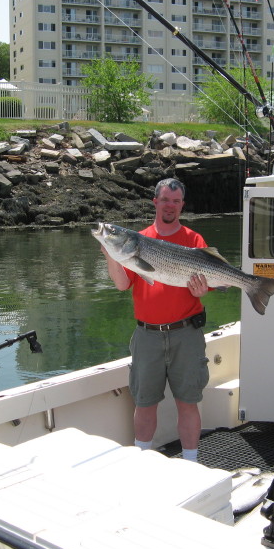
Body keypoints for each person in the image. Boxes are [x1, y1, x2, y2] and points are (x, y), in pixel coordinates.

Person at [100, 178, 210, 462]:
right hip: (147, 336)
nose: (170, 206)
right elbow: (122, 284)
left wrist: (203, 290)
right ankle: (141, 463)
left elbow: (206, 284)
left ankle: (191, 463)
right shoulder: (136, 240)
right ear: (155, 202)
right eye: (165, 200)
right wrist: (111, 255)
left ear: (182, 205)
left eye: (175, 201)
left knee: (188, 403)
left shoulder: (194, 240)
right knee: (145, 403)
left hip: (186, 333)